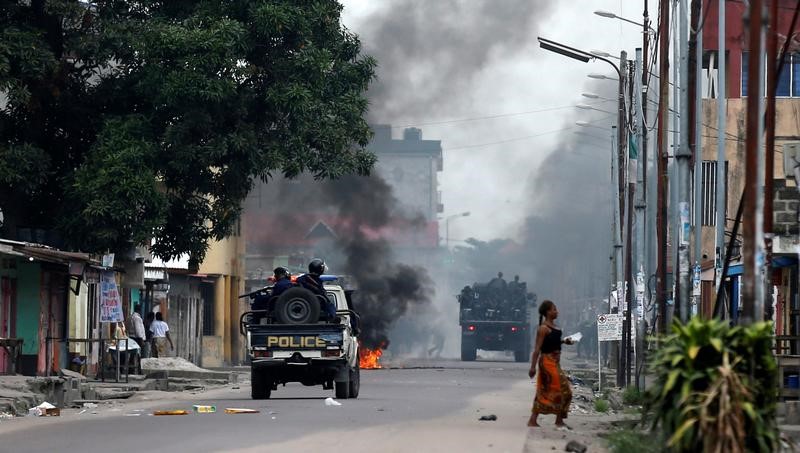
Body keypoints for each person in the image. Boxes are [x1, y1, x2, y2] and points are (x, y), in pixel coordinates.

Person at [528, 300, 574, 429]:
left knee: (546, 390)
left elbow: (553, 342)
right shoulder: (543, 328)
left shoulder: (553, 327)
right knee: (563, 390)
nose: (556, 311)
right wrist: (532, 367)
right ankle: (558, 421)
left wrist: (564, 342)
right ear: (548, 312)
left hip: (555, 362)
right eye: (554, 309)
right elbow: (537, 349)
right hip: (547, 362)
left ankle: (536, 420)